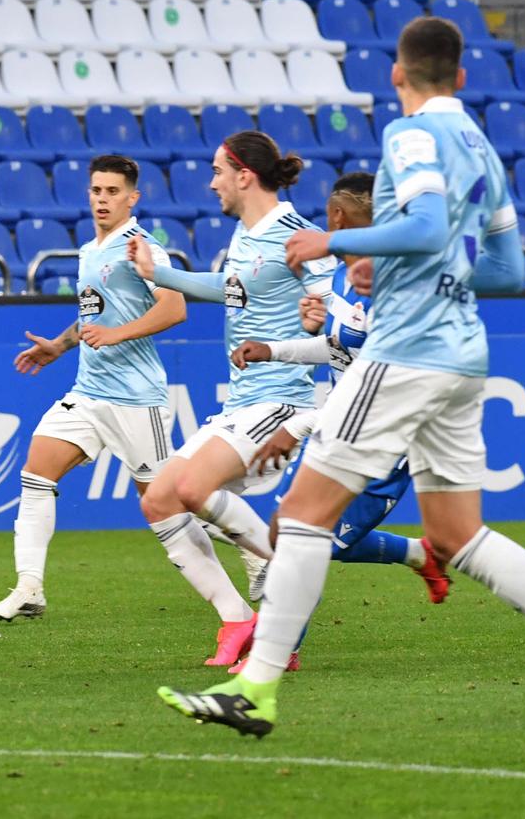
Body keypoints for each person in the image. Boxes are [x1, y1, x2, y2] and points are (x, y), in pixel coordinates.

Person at [158, 17, 525, 738]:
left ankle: (255, 689)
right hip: (463, 354)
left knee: (299, 518)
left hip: (407, 351)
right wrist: (395, 264)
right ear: (463, 77)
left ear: (397, 74)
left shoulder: (411, 136)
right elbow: (508, 270)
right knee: (455, 533)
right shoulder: (481, 147)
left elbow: (418, 228)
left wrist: (339, 239)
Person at [0, 155, 242, 641]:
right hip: (88, 393)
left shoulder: (142, 249)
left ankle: (247, 548)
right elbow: (92, 317)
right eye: (96, 191)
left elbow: (175, 309)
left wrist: (119, 333)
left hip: (134, 399)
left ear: (133, 197)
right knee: (36, 472)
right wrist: (58, 348)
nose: (102, 199)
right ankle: (29, 586)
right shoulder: (91, 250)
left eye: (112, 192)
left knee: (170, 505)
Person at [221, 172, 452, 674]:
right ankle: (420, 555)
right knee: (309, 537)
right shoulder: (346, 280)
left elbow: (381, 393)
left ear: (338, 218)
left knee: (304, 539)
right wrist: (274, 351)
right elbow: (339, 348)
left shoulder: (390, 291)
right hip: (342, 430)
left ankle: (277, 652)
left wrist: (300, 425)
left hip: (384, 445)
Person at [124, 132, 336, 667]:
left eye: (218, 170)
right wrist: (157, 273)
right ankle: (240, 618)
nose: (211, 180)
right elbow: (230, 289)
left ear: (245, 175)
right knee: (158, 499)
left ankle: (287, 576)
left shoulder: (298, 234)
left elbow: (346, 299)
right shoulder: (244, 236)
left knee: (192, 487)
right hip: (242, 401)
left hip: (282, 400)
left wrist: (323, 314)